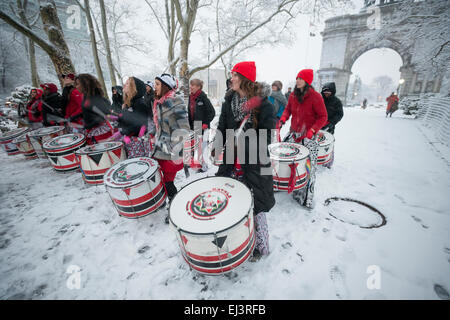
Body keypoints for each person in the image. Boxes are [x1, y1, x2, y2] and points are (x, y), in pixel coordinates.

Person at [214, 61, 276, 259]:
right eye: (232, 75)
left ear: (245, 79)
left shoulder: (264, 105)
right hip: (232, 161)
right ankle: (237, 242)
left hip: (255, 164)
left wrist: (243, 144)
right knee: (231, 202)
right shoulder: (228, 102)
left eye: (235, 75)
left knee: (256, 204)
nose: (231, 78)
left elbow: (266, 138)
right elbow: (222, 127)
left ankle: (261, 245)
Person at [278, 69, 328, 208]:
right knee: (282, 157)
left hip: (309, 136)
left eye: (301, 78)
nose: (298, 80)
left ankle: (305, 197)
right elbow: (288, 110)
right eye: (297, 77)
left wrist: (312, 130)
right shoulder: (293, 95)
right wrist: (282, 120)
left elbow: (323, 117)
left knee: (308, 166)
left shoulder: (316, 97)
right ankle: (284, 184)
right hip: (294, 134)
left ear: (307, 81)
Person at [148, 73, 190, 223]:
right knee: (163, 181)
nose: (155, 87)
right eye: (154, 84)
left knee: (167, 182)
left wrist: (176, 147)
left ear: (165, 85)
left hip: (171, 151)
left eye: (157, 84)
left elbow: (184, 128)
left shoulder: (175, 101)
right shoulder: (158, 102)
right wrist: (151, 134)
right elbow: (159, 126)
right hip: (160, 149)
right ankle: (170, 203)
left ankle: (174, 208)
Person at [108, 77, 149, 158]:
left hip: (137, 142)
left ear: (134, 88)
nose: (124, 85)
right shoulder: (129, 103)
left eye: (127, 83)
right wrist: (115, 117)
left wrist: (121, 133)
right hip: (129, 140)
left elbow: (138, 125)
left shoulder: (139, 103)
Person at [75, 74, 113, 144]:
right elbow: (90, 111)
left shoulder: (94, 98)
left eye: (77, 84)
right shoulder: (87, 97)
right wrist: (76, 117)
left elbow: (105, 115)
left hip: (100, 134)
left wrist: (89, 125)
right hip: (93, 132)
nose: (76, 87)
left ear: (85, 85)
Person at [188, 78, 216, 172]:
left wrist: (205, 123)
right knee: (196, 146)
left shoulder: (203, 98)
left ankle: (204, 166)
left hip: (204, 126)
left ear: (198, 87)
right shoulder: (191, 97)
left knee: (203, 146)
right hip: (194, 126)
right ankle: (197, 163)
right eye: (190, 85)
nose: (190, 87)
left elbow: (212, 112)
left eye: (193, 85)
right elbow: (190, 112)